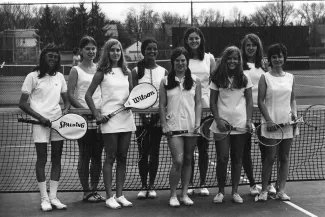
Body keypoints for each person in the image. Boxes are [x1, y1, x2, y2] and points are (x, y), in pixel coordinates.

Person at [85, 39, 136, 209]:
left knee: (123, 157)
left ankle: (119, 195)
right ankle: (109, 197)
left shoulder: (127, 72)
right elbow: (88, 95)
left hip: (126, 119)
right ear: (107, 52)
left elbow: (131, 95)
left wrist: (132, 102)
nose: (116, 53)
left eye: (119, 50)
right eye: (113, 50)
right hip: (109, 121)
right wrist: (97, 114)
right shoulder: (101, 72)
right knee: (110, 157)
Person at [19, 44, 69, 211]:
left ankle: (54, 197)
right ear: (43, 57)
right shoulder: (32, 76)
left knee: (56, 158)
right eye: (50, 56)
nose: (53, 59)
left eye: (56, 57)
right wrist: (40, 118)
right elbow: (22, 103)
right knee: (42, 159)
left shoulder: (60, 77)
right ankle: (44, 198)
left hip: (57, 124)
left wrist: (66, 110)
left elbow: (66, 99)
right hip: (40, 124)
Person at [159, 47, 202, 207]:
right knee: (178, 160)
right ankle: (173, 195)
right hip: (173, 127)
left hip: (191, 126)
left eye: (183, 60)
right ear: (173, 62)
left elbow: (198, 103)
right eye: (177, 60)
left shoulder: (196, 81)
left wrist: (198, 123)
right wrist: (163, 124)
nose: (180, 63)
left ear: (187, 62)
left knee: (189, 160)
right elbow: (162, 105)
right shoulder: (164, 81)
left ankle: (184, 194)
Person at [209, 46, 253, 204]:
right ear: (225, 60)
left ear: (239, 60)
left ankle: (235, 192)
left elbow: (249, 101)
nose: (232, 61)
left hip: (240, 125)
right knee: (222, 158)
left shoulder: (245, 77)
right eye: (229, 58)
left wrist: (248, 121)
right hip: (221, 125)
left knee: (237, 157)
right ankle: (220, 191)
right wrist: (218, 120)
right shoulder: (217, 77)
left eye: (235, 58)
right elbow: (212, 101)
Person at [257, 43, 297, 201]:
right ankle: (264, 190)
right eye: (274, 57)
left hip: (287, 123)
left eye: (280, 56)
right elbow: (260, 101)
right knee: (270, 157)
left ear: (284, 58)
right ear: (270, 59)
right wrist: (269, 120)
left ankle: (281, 190)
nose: (277, 59)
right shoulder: (265, 77)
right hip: (271, 123)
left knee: (285, 157)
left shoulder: (291, 77)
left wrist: (294, 113)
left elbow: (293, 100)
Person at [67, 36, 105, 203]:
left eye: (93, 48)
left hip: (100, 120)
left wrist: (98, 113)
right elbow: (70, 94)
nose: (91, 51)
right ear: (81, 51)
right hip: (83, 120)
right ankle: (86, 191)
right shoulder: (75, 70)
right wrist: (84, 111)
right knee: (84, 155)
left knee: (97, 155)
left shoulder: (100, 68)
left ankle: (95, 190)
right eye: (87, 48)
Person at [131, 38, 168, 199]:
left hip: (158, 119)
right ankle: (144, 185)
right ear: (143, 51)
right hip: (140, 119)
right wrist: (143, 117)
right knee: (142, 152)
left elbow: (164, 98)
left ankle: (152, 185)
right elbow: (133, 96)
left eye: (155, 49)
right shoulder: (134, 71)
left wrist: (155, 117)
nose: (152, 52)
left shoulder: (164, 71)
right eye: (149, 49)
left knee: (155, 152)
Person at [240, 33, 276, 196]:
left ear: (258, 47)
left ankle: (267, 183)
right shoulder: (239, 64)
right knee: (245, 150)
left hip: (262, 113)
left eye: (253, 45)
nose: (251, 47)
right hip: (244, 114)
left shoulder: (264, 64)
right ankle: (253, 184)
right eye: (248, 45)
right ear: (244, 47)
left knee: (266, 150)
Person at [183, 27, 216, 196]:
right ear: (187, 41)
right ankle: (187, 183)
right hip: (187, 107)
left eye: (197, 38)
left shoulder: (209, 58)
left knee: (203, 147)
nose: (194, 41)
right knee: (188, 150)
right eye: (191, 39)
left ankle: (202, 183)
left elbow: (216, 80)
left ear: (201, 40)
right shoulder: (183, 58)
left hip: (205, 107)